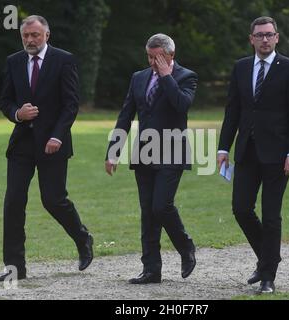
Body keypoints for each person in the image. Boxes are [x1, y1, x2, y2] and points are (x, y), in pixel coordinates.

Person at [0, 15, 93, 281]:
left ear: (46, 35)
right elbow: (5, 101)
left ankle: (83, 238)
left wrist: (58, 136)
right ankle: (14, 268)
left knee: (53, 200)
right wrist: (18, 113)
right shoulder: (13, 62)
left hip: (54, 143)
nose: (30, 40)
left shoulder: (64, 60)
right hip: (21, 144)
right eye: (26, 36)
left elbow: (71, 104)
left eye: (35, 35)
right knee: (13, 202)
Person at [217, 16, 289, 294]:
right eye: (260, 35)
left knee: (270, 215)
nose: (265, 39)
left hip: (279, 155)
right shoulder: (241, 67)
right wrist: (223, 148)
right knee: (241, 208)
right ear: (251, 39)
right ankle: (269, 257)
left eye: (269, 34)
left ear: (277, 37)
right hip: (246, 151)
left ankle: (268, 276)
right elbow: (232, 111)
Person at [105, 33, 197, 284]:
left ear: (171, 55)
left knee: (161, 206)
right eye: (149, 56)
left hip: (172, 151)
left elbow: (182, 105)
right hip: (144, 152)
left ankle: (186, 246)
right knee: (148, 213)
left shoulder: (186, 77)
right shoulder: (138, 78)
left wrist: (167, 76)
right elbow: (125, 116)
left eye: (157, 57)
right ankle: (151, 270)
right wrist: (113, 152)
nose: (152, 62)